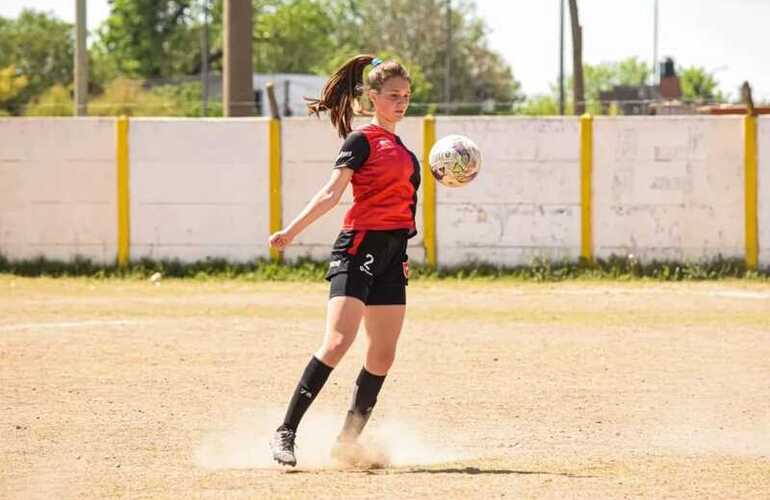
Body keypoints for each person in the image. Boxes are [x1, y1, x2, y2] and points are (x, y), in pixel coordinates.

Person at [267, 54, 420, 467]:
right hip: (358, 248)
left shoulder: (406, 151)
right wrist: (291, 232)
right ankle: (286, 431)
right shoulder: (361, 140)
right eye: (393, 96)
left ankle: (347, 442)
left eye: (406, 96)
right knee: (337, 342)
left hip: (392, 255)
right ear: (372, 97)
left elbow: (405, 210)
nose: (401, 103)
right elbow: (331, 194)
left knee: (382, 355)